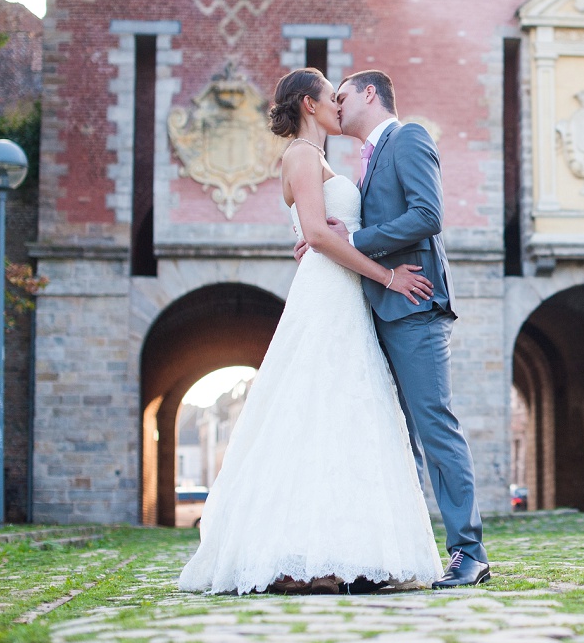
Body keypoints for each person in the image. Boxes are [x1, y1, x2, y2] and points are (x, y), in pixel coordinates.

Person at [178, 67, 443, 596]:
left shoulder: (321, 159)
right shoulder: (301, 155)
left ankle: (351, 550)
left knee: (347, 418)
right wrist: (389, 276)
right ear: (307, 104)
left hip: (342, 292)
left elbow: (317, 231)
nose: (339, 107)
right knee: (315, 412)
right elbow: (319, 235)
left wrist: (329, 241)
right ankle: (299, 557)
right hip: (327, 295)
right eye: (331, 98)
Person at [295, 69, 489, 588]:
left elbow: (428, 214)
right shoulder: (365, 163)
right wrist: (330, 241)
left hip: (415, 306)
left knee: (434, 425)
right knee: (389, 435)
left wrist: (355, 236)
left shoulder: (409, 137)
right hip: (375, 309)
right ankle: (395, 554)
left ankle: (469, 552)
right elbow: (350, 231)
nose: (335, 105)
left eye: (342, 96)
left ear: (369, 93)